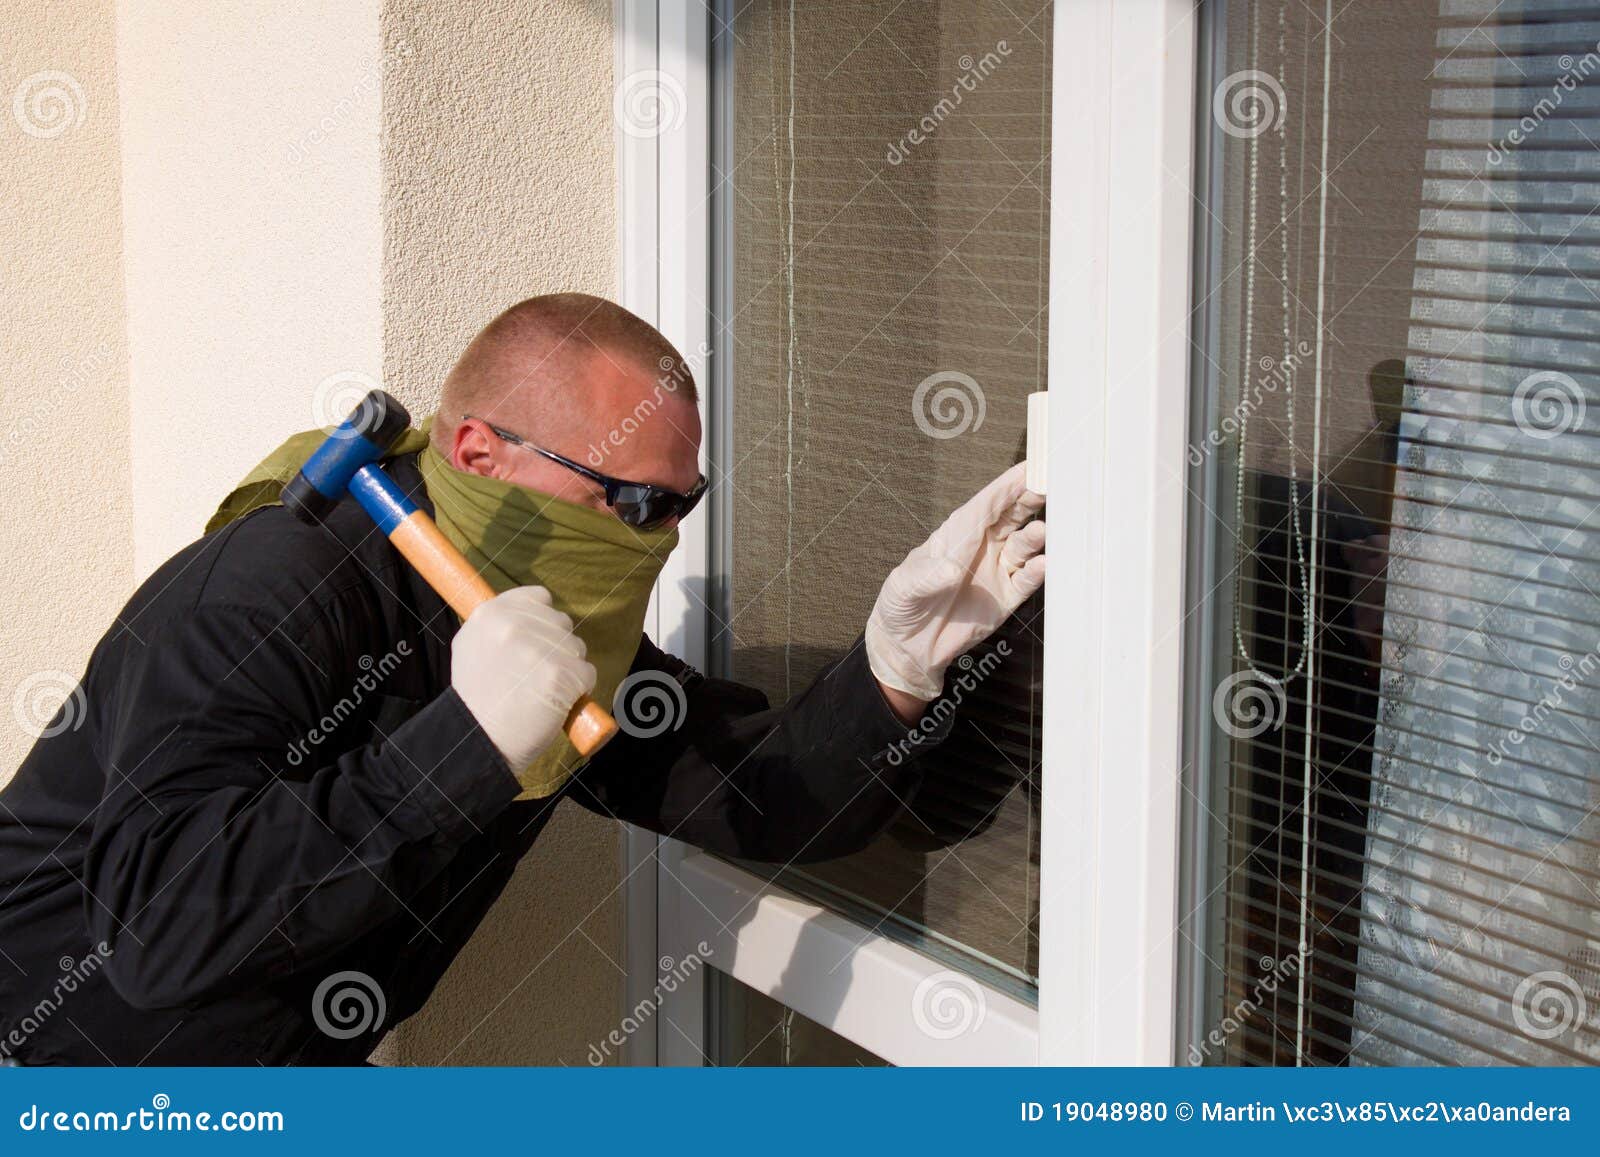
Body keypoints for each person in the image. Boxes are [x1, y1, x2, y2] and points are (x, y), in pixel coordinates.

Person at [0, 293, 1046, 1064]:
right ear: (477, 450)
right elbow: (158, 933)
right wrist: (463, 743)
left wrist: (897, 661)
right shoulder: (273, 587)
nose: (659, 538)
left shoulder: (550, 625)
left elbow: (748, 796)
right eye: (631, 501)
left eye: (681, 504)